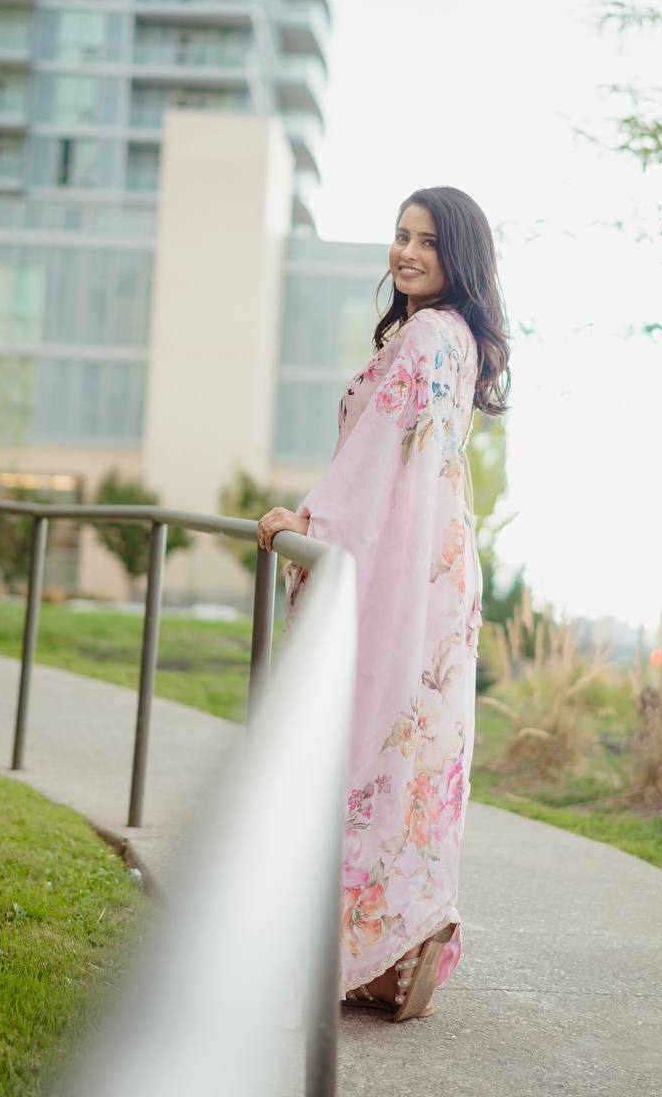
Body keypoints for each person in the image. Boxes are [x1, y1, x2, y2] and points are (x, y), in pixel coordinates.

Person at [257, 186, 511, 1021]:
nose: (406, 252)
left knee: (364, 741)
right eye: (401, 236)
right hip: (437, 573)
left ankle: (354, 949)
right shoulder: (459, 338)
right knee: (413, 748)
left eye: (427, 242)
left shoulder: (428, 336)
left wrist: (312, 522)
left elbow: (378, 456)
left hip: (404, 577)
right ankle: (397, 948)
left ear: (457, 256)